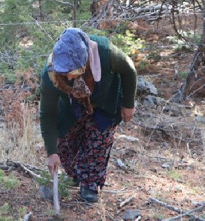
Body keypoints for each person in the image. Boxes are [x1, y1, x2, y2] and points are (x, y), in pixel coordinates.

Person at [40, 28, 137, 203]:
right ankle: (75, 175)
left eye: (73, 70)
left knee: (98, 140)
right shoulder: (50, 75)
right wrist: (51, 152)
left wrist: (128, 104)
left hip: (104, 100)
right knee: (66, 144)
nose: (68, 75)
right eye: (64, 71)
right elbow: (47, 114)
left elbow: (129, 70)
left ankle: (90, 185)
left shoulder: (105, 53)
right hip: (71, 107)